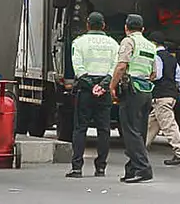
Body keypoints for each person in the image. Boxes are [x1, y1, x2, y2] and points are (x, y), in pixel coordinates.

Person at [66, 12, 119, 179]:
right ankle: (101, 168)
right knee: (103, 130)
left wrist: (91, 85)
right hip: (104, 91)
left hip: (86, 91)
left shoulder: (79, 42)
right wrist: (103, 86)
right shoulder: (113, 44)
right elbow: (114, 68)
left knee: (80, 128)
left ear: (87, 25)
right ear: (103, 25)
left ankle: (77, 168)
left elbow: (78, 68)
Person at [109, 14, 157, 184]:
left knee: (129, 130)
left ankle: (143, 169)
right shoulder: (150, 46)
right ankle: (132, 169)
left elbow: (122, 66)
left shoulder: (129, 41)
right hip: (146, 90)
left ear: (126, 28)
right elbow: (154, 73)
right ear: (143, 29)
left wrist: (112, 85)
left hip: (131, 89)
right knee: (140, 131)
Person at [145, 31, 180, 165]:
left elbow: (157, 75)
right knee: (151, 125)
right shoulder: (171, 58)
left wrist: (146, 78)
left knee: (169, 126)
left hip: (161, 96)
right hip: (170, 96)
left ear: (152, 43)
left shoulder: (156, 56)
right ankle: (140, 150)